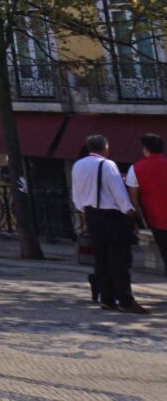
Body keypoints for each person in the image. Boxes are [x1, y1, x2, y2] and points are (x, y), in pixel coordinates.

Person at [75, 133, 147, 314]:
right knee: (120, 261)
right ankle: (125, 299)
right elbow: (119, 193)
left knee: (101, 259)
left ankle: (106, 298)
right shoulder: (107, 165)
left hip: (91, 215)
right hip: (112, 217)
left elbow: (76, 196)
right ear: (105, 147)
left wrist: (85, 211)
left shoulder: (78, 165)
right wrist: (131, 213)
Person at [125, 132, 167, 272]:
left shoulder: (136, 168)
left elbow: (134, 201)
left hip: (157, 220)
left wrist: (136, 222)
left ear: (145, 149)